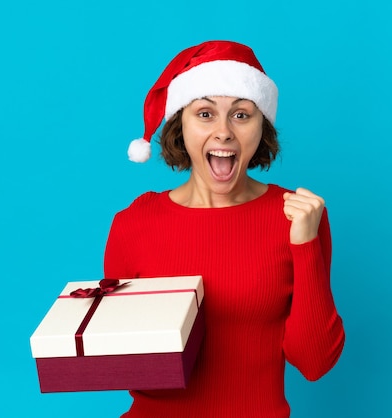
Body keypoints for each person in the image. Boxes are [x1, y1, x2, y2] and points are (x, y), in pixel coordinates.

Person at [104, 40, 345, 418]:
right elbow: (124, 363)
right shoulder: (134, 223)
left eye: (241, 115)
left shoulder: (297, 218)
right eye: (204, 114)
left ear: (260, 127)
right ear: (179, 127)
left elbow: (314, 363)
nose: (223, 132)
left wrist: (306, 245)